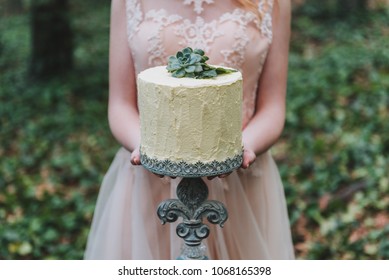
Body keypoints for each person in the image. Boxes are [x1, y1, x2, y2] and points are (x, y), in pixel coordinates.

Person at [84, 0, 295, 259]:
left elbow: (273, 107)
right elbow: (119, 105)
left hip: (241, 185)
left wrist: (241, 147)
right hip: (149, 185)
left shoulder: (274, 3)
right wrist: (149, 147)